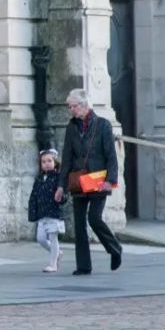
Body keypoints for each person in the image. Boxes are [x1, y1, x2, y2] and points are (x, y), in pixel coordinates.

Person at [55, 89, 123, 275]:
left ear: (84, 105)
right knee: (79, 224)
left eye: (73, 106)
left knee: (94, 218)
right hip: (78, 180)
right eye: (70, 106)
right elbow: (66, 157)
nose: (71, 110)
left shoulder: (103, 125)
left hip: (99, 180)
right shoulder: (71, 127)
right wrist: (61, 185)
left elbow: (111, 156)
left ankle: (114, 248)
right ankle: (83, 266)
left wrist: (111, 180)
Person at [28, 149, 66, 273]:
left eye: (49, 161)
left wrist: (61, 198)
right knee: (40, 239)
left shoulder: (58, 178)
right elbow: (33, 196)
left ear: (55, 162)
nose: (47, 163)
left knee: (53, 238)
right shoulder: (39, 179)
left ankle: (53, 264)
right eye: (43, 162)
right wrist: (33, 212)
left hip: (54, 213)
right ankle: (57, 253)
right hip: (42, 214)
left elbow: (64, 195)